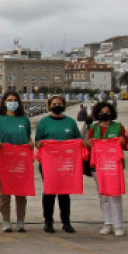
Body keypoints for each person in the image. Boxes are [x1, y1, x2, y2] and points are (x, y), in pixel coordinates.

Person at [34, 95, 80, 233]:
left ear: (64, 105)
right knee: (49, 191)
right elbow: (37, 141)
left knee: (64, 192)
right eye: (54, 103)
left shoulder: (70, 122)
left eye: (59, 103)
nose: (57, 105)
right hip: (48, 164)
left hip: (66, 164)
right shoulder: (43, 122)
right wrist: (40, 144)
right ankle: (48, 221)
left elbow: (77, 139)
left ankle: (66, 222)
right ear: (49, 105)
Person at [82, 100, 127, 236]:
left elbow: (126, 145)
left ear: (112, 113)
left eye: (107, 112)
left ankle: (118, 225)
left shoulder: (119, 127)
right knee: (103, 196)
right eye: (102, 112)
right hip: (98, 167)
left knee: (115, 195)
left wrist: (123, 141)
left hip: (114, 166)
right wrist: (88, 144)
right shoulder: (94, 128)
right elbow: (87, 145)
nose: (104, 114)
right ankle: (107, 223)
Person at [0, 91, 32, 232]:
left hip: (21, 161)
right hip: (4, 161)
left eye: (15, 100)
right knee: (5, 191)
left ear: (19, 103)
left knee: (21, 192)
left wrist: (31, 144)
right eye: (9, 100)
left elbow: (29, 138)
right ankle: (6, 221)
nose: (12, 102)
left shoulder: (24, 119)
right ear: (4, 102)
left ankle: (20, 221)